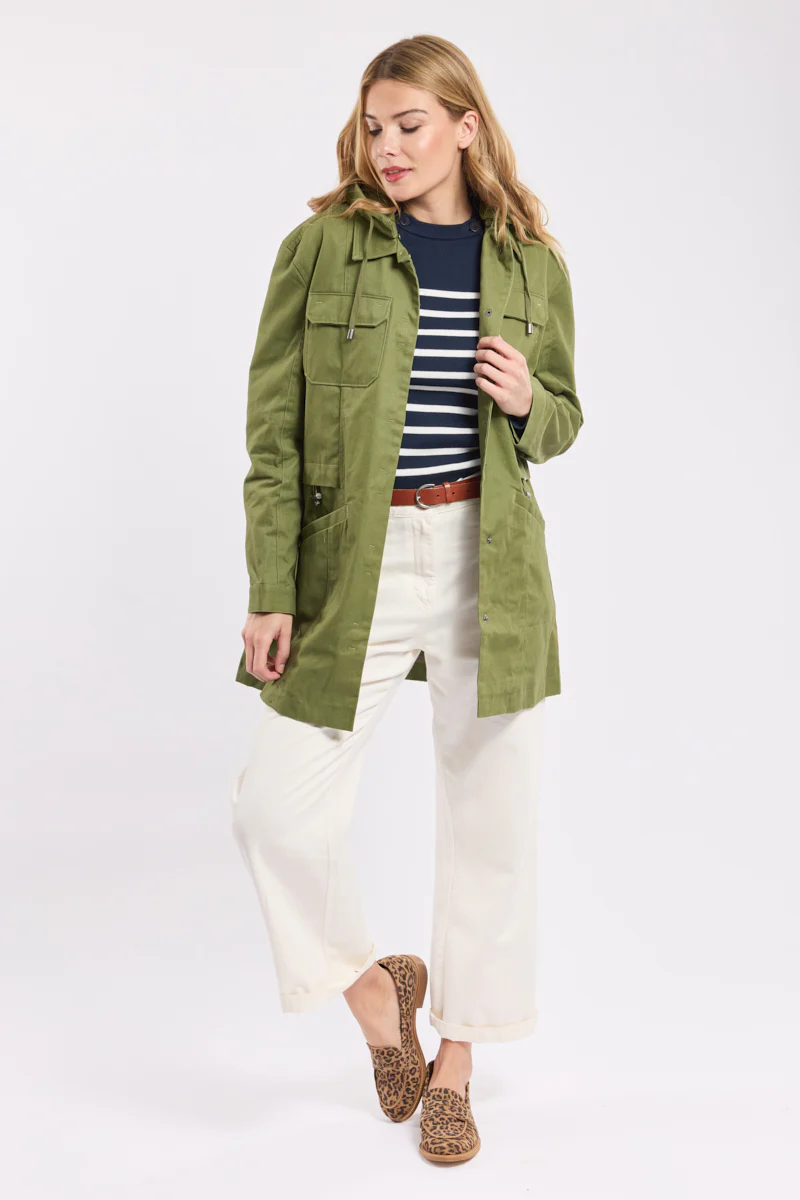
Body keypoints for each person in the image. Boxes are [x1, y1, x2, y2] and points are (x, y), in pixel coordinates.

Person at [230, 34, 583, 1165]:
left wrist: (528, 402)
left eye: (411, 125)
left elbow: (562, 420)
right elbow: (274, 436)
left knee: (492, 823)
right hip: (356, 560)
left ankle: (457, 1068)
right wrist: (271, 588)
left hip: (491, 559)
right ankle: (380, 998)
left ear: (465, 126)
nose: (387, 147)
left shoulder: (529, 259)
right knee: (272, 810)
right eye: (374, 127)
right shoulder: (320, 249)